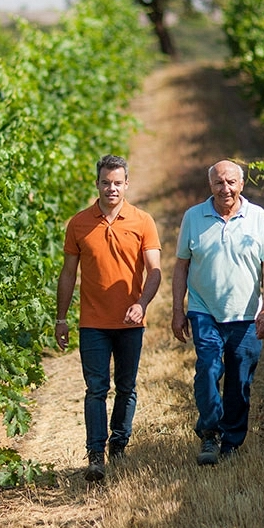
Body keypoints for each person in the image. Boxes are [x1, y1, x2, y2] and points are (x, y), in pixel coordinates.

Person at [55, 154, 162, 482]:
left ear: (126, 184)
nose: (111, 188)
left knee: (126, 387)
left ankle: (119, 443)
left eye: (117, 183)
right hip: (93, 322)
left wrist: (142, 303)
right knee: (96, 388)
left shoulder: (142, 221)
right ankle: (95, 455)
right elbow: (68, 274)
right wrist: (61, 319)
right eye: (106, 182)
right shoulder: (79, 223)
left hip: (131, 321)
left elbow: (155, 271)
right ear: (97, 184)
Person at [171, 160, 264, 465]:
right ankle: (210, 432)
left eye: (231, 182)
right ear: (211, 186)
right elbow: (181, 265)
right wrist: (177, 309)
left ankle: (231, 442)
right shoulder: (194, 217)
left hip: (246, 314)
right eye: (219, 182)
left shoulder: (258, 218)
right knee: (207, 369)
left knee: (240, 380)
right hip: (204, 310)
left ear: (242, 184)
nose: (226, 188)